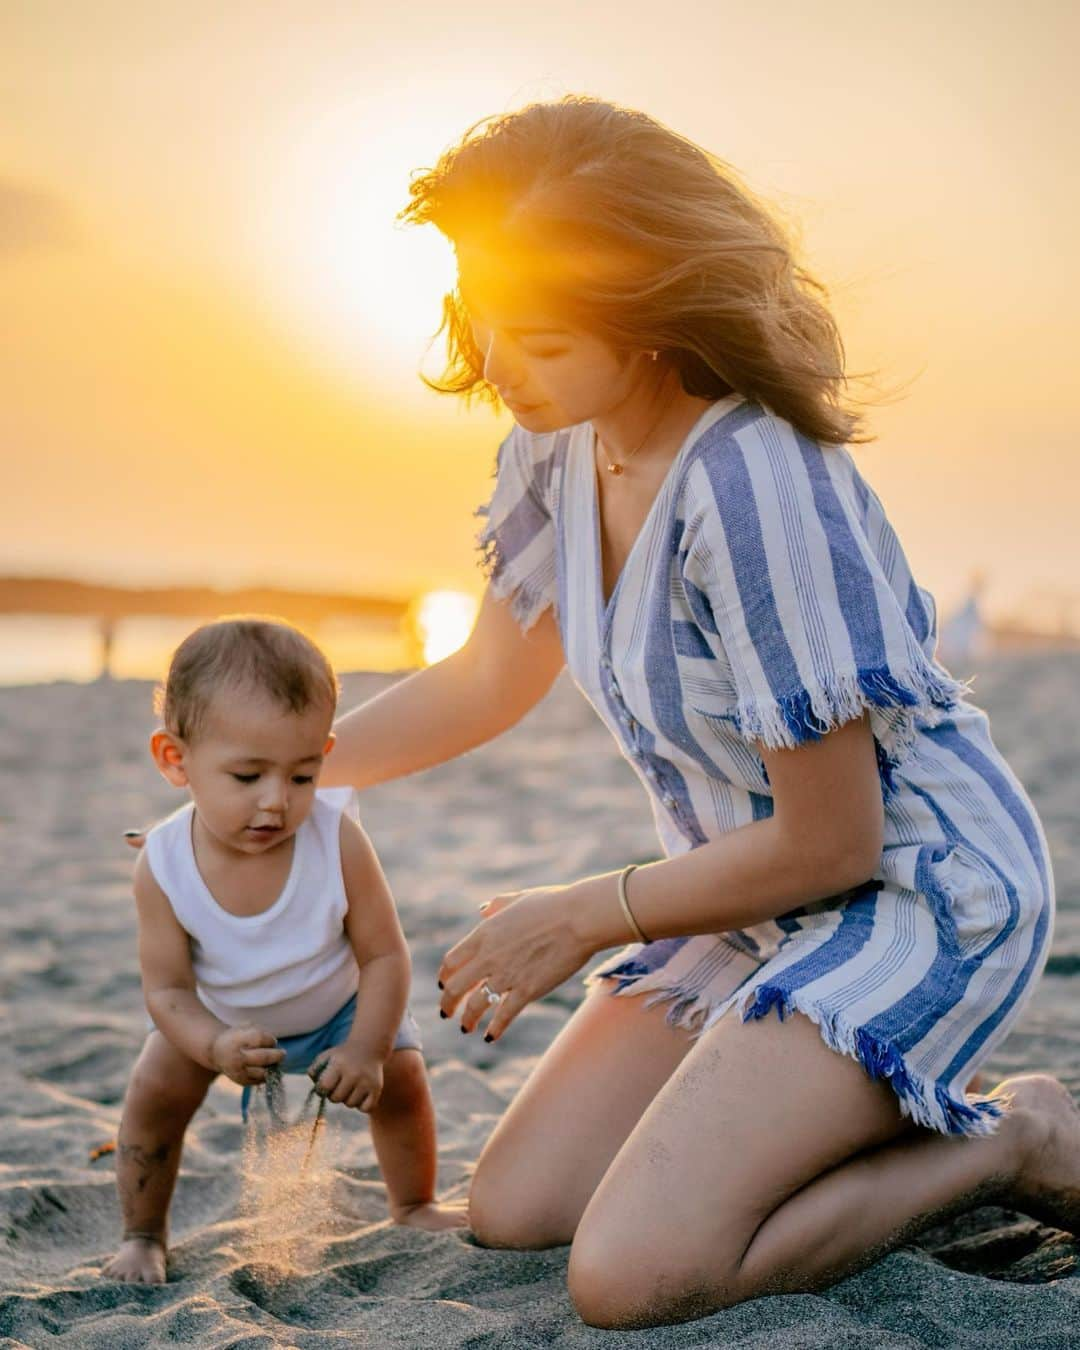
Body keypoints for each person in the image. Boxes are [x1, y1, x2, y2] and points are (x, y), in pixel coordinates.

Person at [125, 97, 1078, 1328]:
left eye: (539, 333)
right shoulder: (558, 449)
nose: (499, 364)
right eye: (482, 318)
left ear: (648, 313)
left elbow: (833, 842)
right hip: (747, 898)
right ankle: (830, 1108)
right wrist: (249, 784)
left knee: (632, 1276)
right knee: (522, 1210)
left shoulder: (757, 484)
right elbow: (485, 681)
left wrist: (576, 917)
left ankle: (1014, 1136)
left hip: (912, 896)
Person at [103, 618, 466, 1285]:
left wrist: (367, 1048)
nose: (276, 801)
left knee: (405, 1082)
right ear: (174, 759)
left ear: (325, 753)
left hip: (339, 1011)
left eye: (303, 776)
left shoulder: (337, 839)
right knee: (152, 1093)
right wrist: (211, 1045)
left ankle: (413, 1202)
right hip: (220, 1019)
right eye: (247, 776)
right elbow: (168, 992)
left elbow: (385, 956)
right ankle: (142, 1234)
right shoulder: (161, 864)